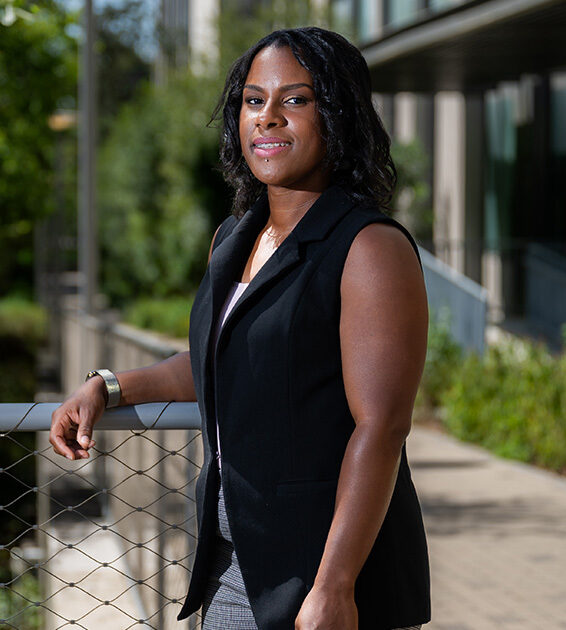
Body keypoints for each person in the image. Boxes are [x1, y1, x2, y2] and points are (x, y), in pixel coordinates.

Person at [50, 26, 430, 630]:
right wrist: (111, 387)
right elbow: (217, 361)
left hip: (320, 572)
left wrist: (335, 586)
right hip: (234, 553)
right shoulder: (234, 239)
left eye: (296, 100)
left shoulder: (368, 247)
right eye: (254, 100)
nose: (269, 118)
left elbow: (381, 426)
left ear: (338, 113)